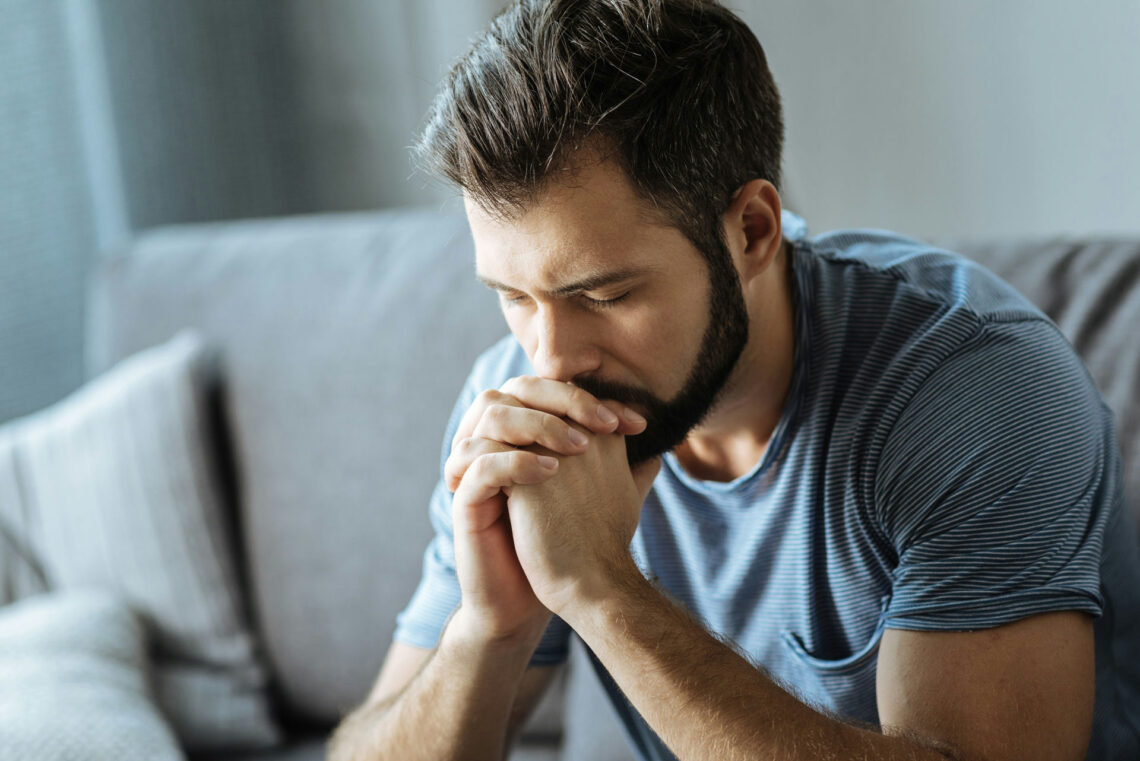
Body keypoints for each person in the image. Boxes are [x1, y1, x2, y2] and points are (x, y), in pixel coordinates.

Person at [328, 1, 1140, 759]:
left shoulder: (972, 391)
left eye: (605, 295)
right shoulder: (517, 412)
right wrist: (488, 629)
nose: (550, 358)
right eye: (513, 297)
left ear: (752, 230)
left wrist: (603, 591)